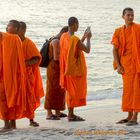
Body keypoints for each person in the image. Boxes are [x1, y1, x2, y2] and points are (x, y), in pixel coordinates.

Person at [111, 7, 140, 126]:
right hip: (125, 65)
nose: (130, 17)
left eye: (132, 15)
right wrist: (118, 65)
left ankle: (134, 117)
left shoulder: (138, 29)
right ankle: (128, 116)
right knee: (127, 91)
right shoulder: (118, 31)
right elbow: (115, 50)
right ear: (123, 16)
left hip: (137, 64)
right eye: (128, 15)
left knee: (137, 90)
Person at [59, 17, 92, 121]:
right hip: (75, 69)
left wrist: (83, 37)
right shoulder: (74, 39)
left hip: (67, 68)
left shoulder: (64, 36)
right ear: (74, 24)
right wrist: (88, 38)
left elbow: (75, 47)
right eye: (77, 25)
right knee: (73, 91)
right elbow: (87, 50)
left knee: (70, 90)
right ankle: (71, 114)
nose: (78, 27)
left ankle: (71, 113)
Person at [0, 21, 26, 131]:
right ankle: (12, 124)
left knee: (4, 100)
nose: (6, 27)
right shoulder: (16, 39)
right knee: (12, 99)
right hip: (13, 75)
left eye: (9, 25)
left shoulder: (11, 38)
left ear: (15, 28)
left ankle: (7, 125)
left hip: (7, 75)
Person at [18, 21, 44, 126]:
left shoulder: (28, 43)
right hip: (16, 75)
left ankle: (31, 120)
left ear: (23, 30)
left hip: (27, 75)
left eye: (18, 29)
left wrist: (24, 63)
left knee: (29, 97)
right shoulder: (13, 41)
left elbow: (37, 59)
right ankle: (12, 119)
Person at [44, 26, 68, 120]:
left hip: (59, 68)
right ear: (63, 33)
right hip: (54, 68)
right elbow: (56, 58)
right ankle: (49, 113)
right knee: (52, 89)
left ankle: (57, 112)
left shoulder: (55, 39)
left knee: (60, 89)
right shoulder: (56, 41)